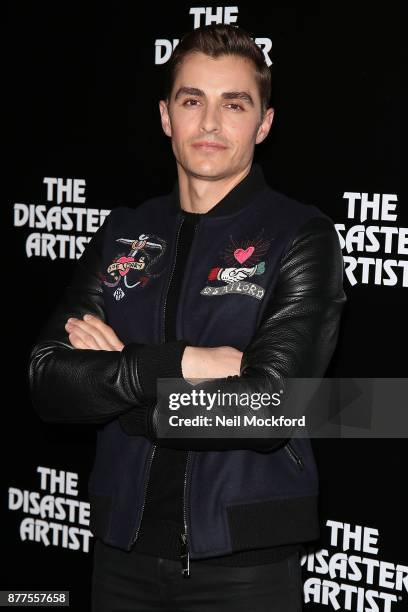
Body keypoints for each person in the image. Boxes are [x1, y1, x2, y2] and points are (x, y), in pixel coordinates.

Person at [28, 23, 346, 612]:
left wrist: (125, 389)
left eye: (234, 104)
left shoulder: (300, 236)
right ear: (166, 117)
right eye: (192, 100)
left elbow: (269, 408)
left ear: (264, 124)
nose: (209, 123)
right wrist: (184, 364)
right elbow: (48, 380)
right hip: (118, 554)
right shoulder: (124, 231)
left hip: (244, 567)